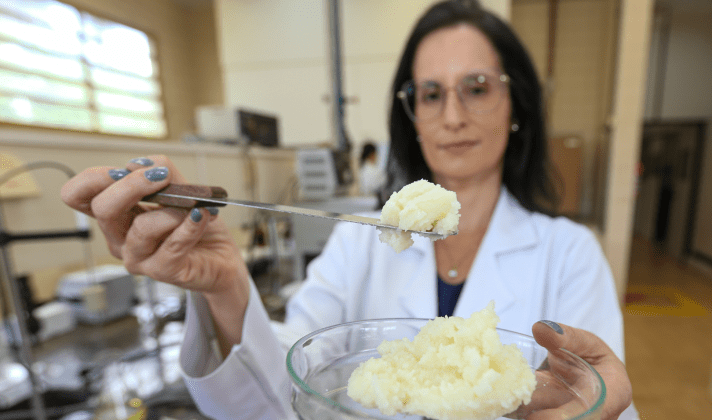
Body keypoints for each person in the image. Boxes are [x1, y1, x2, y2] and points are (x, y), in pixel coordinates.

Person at [60, 1, 636, 419]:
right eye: (430, 93)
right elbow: (287, 389)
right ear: (410, 113)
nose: (453, 115)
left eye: (478, 86)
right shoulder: (362, 240)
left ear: (517, 105)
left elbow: (599, 400)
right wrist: (225, 284)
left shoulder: (569, 252)